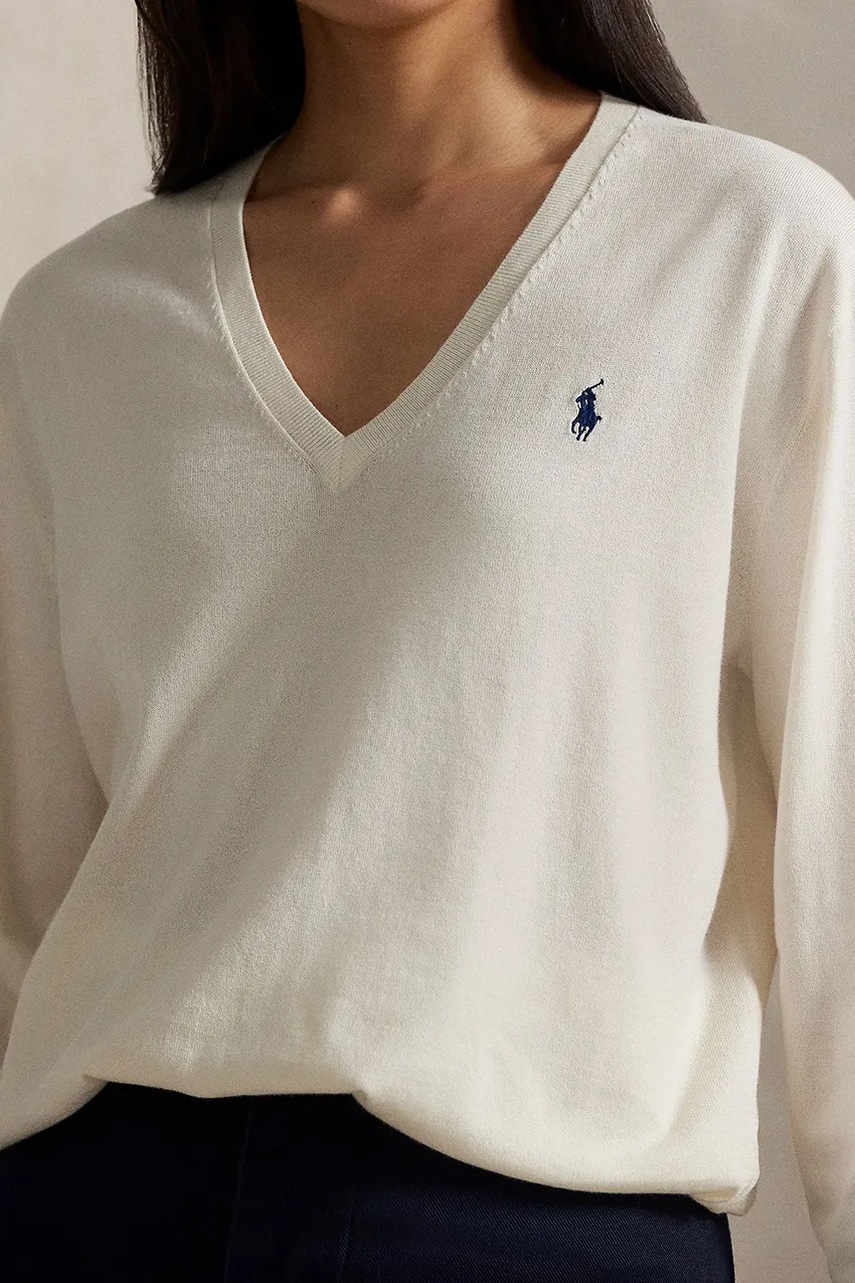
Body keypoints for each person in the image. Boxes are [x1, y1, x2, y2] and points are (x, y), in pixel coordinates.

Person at [1, 0, 853, 1278]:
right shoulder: (79, 323)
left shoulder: (752, 247)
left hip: (545, 1226)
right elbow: (26, 909)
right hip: (98, 1209)